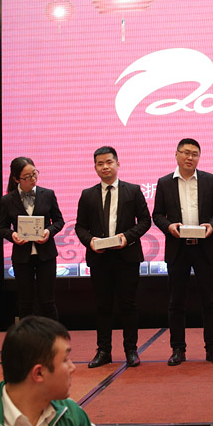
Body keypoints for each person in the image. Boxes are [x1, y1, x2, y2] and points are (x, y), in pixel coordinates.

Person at [152, 138, 213, 365]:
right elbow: (157, 215)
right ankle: (178, 349)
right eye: (185, 152)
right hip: (178, 249)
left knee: (210, 301)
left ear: (199, 157)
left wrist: (212, 226)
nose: (190, 157)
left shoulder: (210, 180)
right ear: (176, 155)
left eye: (194, 154)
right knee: (176, 302)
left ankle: (212, 348)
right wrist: (169, 227)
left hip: (204, 248)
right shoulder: (164, 182)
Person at [75, 146, 151, 368]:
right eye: (100, 163)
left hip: (127, 257)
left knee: (128, 305)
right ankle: (103, 351)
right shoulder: (87, 195)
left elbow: (145, 220)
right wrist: (90, 241)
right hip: (99, 258)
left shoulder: (133, 191)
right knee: (102, 306)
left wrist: (127, 237)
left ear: (118, 163)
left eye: (109, 162)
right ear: (95, 167)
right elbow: (80, 226)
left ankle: (131, 350)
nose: (105, 167)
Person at [0, 156, 65, 321]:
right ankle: (26, 336)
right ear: (16, 179)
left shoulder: (48, 194)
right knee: (25, 302)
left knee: (47, 301)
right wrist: (12, 235)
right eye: (27, 177)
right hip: (22, 256)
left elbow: (59, 221)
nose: (33, 179)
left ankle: (53, 335)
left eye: (34, 174)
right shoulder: (8, 199)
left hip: (46, 254)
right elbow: (2, 228)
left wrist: (49, 231)